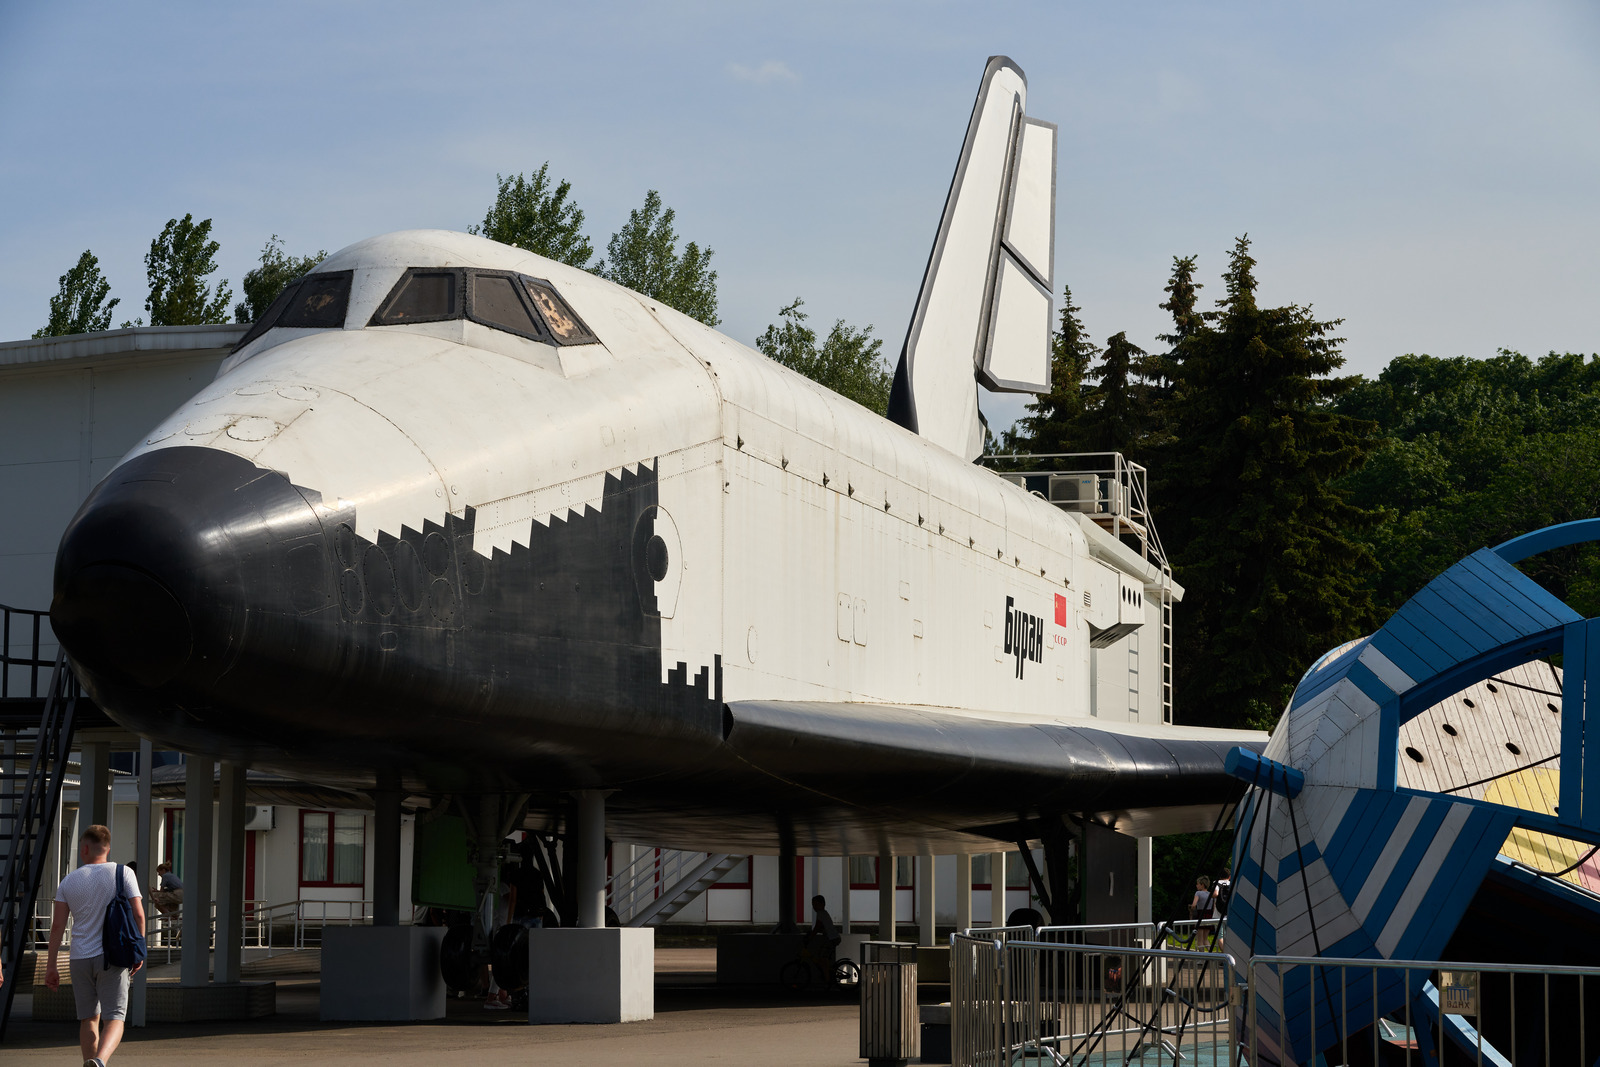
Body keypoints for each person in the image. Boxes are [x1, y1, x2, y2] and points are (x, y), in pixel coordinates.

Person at [46, 823, 146, 1067]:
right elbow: (139, 914)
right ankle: (100, 1061)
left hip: (79, 958)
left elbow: (57, 927)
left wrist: (51, 966)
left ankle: (90, 1063)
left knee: (88, 1019)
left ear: (84, 849)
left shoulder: (68, 880)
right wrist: (139, 950)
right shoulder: (123, 873)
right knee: (115, 1018)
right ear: (107, 849)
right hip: (112, 956)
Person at [806, 894, 842, 965]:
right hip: (834, 938)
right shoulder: (823, 913)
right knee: (822, 955)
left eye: (816, 904)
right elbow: (821, 927)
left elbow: (817, 927)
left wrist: (810, 937)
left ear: (822, 904)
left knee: (823, 958)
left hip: (832, 938)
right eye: (813, 905)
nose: (814, 907)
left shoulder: (821, 914)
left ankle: (827, 975)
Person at [1188, 874, 1214, 949]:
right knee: (1205, 939)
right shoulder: (1211, 894)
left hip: (1201, 915)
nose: (1196, 885)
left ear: (1202, 885)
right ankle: (1211, 956)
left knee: (1200, 940)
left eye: (1198, 884)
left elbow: (1194, 905)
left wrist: (1191, 909)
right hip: (1209, 915)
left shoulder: (1198, 893)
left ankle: (1201, 958)